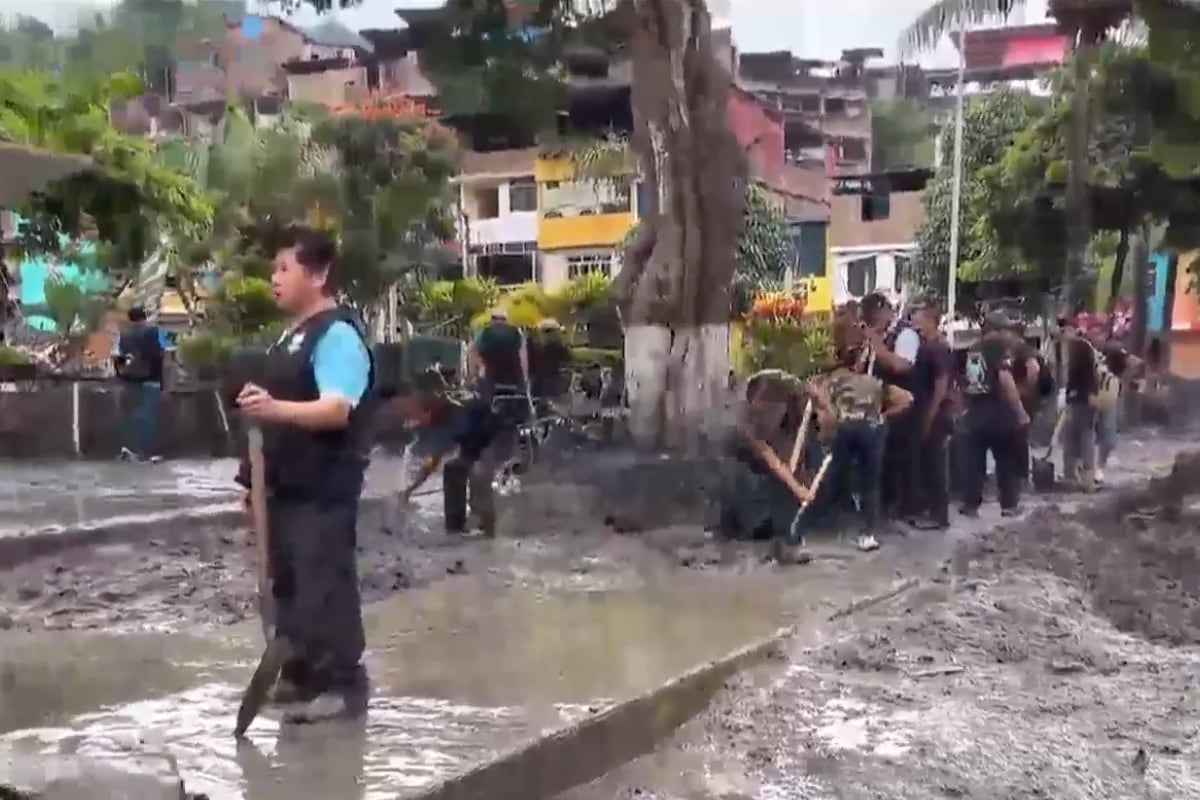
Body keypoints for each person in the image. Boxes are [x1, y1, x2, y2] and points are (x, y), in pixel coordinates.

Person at [233, 225, 375, 722]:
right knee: (286, 583)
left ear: (318, 274)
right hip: (283, 485)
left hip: (323, 485)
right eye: (274, 268)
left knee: (324, 581)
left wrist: (273, 408)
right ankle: (297, 677)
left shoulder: (336, 334)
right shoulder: (288, 338)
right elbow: (267, 419)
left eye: (284, 268)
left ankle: (341, 685)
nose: (274, 278)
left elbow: (336, 409)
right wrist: (250, 484)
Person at [795, 322, 913, 553]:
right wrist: (883, 416)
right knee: (870, 484)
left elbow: (816, 398)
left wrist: (830, 415)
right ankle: (866, 534)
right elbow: (907, 399)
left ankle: (802, 530)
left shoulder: (831, 379)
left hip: (844, 429)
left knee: (829, 480)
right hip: (872, 430)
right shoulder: (873, 382)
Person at [391, 369, 507, 537]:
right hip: (475, 445)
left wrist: (409, 490)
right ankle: (455, 530)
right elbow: (434, 457)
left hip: (494, 440)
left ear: (434, 392)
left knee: (479, 477)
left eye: (419, 394)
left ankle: (489, 536)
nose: (416, 399)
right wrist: (409, 489)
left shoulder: (447, 412)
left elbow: (433, 461)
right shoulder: (440, 412)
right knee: (454, 469)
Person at [717, 370, 814, 548]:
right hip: (745, 488)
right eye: (764, 399)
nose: (768, 407)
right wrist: (798, 489)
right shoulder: (744, 426)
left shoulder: (786, 431)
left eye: (775, 401)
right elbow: (769, 457)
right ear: (752, 400)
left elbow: (788, 462)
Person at [959, 312, 1031, 517]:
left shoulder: (974, 348)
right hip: (999, 413)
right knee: (1006, 460)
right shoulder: (997, 348)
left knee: (974, 463)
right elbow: (1005, 379)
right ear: (997, 329)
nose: (1010, 333)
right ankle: (1009, 505)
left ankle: (970, 504)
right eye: (1007, 328)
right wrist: (1020, 412)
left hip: (976, 412)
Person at [859, 292, 921, 520]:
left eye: (873, 315)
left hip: (903, 407)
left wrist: (873, 340)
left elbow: (900, 366)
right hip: (878, 408)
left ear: (885, 311)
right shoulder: (878, 337)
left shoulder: (905, 335)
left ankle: (905, 509)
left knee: (901, 459)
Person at [907, 298, 956, 530]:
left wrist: (930, 415)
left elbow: (941, 385)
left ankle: (939, 515)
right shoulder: (926, 346)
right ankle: (932, 511)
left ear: (930, 321)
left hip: (934, 415)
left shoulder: (938, 348)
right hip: (925, 411)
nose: (915, 321)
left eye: (919, 317)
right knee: (927, 463)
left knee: (935, 464)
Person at [112, 305, 174, 462]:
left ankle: (129, 448)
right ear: (144, 317)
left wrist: (121, 375)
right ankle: (147, 452)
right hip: (151, 380)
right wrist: (166, 384)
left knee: (130, 417)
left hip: (129, 381)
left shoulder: (123, 335)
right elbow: (168, 354)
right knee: (148, 418)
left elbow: (116, 357)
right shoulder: (155, 332)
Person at [1061, 334, 1100, 491]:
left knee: (1072, 439)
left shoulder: (1075, 368)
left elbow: (1072, 388)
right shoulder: (1091, 368)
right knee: (1087, 438)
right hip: (1089, 404)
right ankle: (1087, 477)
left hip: (1077, 404)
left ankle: (1070, 475)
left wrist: (1069, 399)